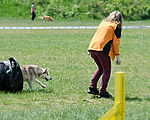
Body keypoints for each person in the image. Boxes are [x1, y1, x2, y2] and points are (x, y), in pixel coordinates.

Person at [87, 11, 123, 98]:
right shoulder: (116, 26)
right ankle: (103, 92)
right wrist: (117, 56)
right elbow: (116, 42)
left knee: (101, 68)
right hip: (101, 49)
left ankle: (92, 87)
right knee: (107, 70)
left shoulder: (103, 23)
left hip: (92, 48)